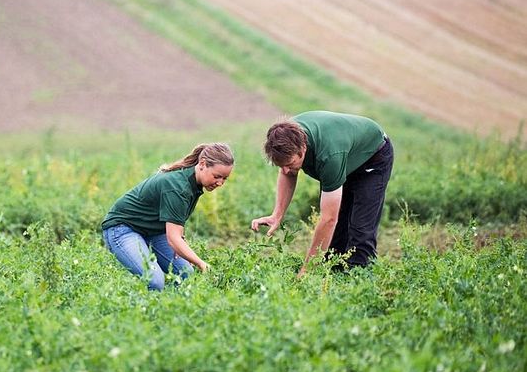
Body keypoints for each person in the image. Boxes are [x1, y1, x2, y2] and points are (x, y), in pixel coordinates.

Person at [251, 111, 394, 277]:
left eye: (290, 164)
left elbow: (328, 219)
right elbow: (287, 173)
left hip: (373, 157)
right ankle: (333, 278)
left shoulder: (328, 157)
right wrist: (277, 215)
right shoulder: (284, 137)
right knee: (334, 240)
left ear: (303, 149)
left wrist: (307, 269)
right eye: (280, 165)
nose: (286, 170)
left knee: (360, 231)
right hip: (344, 154)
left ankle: (359, 281)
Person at [101, 143, 234, 290]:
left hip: (153, 231)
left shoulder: (193, 183)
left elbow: (175, 226)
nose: (220, 183)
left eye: (225, 179)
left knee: (186, 274)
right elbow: (173, 238)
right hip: (123, 229)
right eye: (217, 176)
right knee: (154, 281)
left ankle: (176, 309)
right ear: (202, 164)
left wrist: (181, 245)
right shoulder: (177, 187)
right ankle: (142, 309)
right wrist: (201, 263)